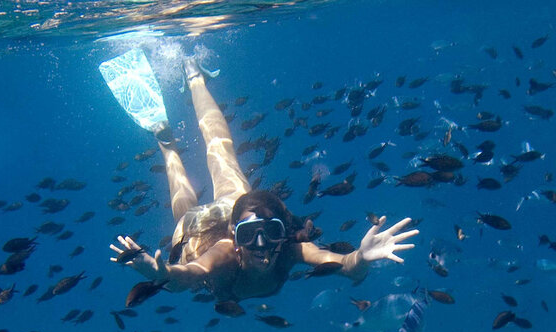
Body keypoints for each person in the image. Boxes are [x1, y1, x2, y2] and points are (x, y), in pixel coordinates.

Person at [109, 55, 417, 303]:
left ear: (283, 233)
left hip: (236, 206)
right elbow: (187, 274)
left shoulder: (289, 252)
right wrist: (161, 273)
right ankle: (184, 100)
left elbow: (348, 268)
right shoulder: (224, 253)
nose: (260, 244)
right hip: (204, 230)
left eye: (270, 231)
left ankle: (180, 107)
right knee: (217, 157)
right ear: (234, 233)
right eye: (248, 233)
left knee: (219, 160)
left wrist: (361, 256)